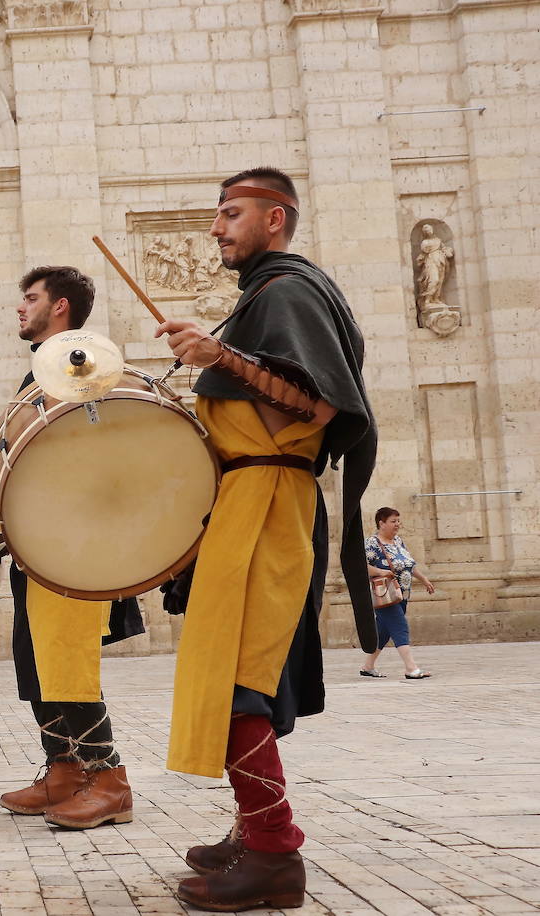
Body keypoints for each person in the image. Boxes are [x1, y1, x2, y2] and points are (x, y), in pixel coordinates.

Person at [156, 167, 376, 911]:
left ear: (274, 219)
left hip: (269, 502)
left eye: (230, 214)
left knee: (241, 682)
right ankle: (255, 830)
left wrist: (221, 360)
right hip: (246, 500)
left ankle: (277, 852)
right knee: (231, 677)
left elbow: (319, 405)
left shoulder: (288, 293)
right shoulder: (267, 297)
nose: (217, 228)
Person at [0, 266, 145, 831]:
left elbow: (94, 451)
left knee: (67, 660)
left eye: (31, 298)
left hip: (74, 542)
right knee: (37, 660)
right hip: (35, 541)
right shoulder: (37, 374)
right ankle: (65, 769)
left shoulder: (82, 369)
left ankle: (110, 779)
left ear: (61, 306)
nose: (20, 308)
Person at [362, 507, 434, 679]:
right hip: (384, 594)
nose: (397, 525)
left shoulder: (398, 541)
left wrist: (424, 580)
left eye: (398, 521)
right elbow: (360, 566)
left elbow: (409, 564)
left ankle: (367, 667)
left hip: (401, 595)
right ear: (382, 523)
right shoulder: (372, 543)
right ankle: (411, 668)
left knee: (384, 631)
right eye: (393, 521)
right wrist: (380, 572)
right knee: (400, 627)